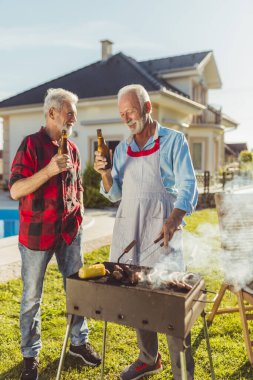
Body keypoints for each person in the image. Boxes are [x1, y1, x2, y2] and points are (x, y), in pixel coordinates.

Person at [94, 84, 198, 380]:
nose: (127, 118)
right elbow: (114, 193)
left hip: (162, 230)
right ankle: (148, 358)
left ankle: (183, 372)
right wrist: (104, 173)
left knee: (170, 302)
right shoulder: (124, 148)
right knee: (138, 296)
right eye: (122, 113)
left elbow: (189, 184)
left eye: (132, 111)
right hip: (131, 230)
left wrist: (175, 217)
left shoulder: (174, 141)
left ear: (148, 108)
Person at [9, 88, 101, 380]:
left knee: (77, 289)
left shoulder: (72, 148)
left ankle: (78, 342)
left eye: (74, 113)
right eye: (69, 112)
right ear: (52, 113)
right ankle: (30, 356)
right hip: (37, 236)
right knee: (32, 298)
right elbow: (15, 189)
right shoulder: (30, 145)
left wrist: (81, 212)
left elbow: (78, 187)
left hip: (69, 232)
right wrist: (48, 170)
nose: (74, 118)